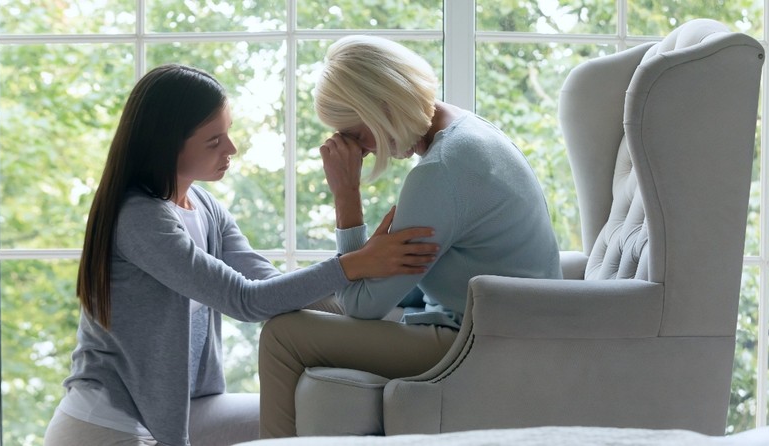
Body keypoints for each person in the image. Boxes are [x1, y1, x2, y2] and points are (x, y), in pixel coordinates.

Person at [42, 63, 440, 446]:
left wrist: (401, 319)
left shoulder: (203, 206)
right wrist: (354, 264)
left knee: (323, 416)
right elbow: (246, 301)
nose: (230, 148)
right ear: (165, 147)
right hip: (106, 425)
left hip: (184, 412)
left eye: (227, 133)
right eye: (213, 141)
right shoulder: (140, 219)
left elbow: (270, 286)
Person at [257, 35, 563, 437]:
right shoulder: (467, 131)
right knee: (306, 302)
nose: (361, 151)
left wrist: (346, 193)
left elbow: (361, 307)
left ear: (381, 108)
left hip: (482, 342)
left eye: (356, 134)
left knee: (283, 335)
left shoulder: (441, 171)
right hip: (494, 325)